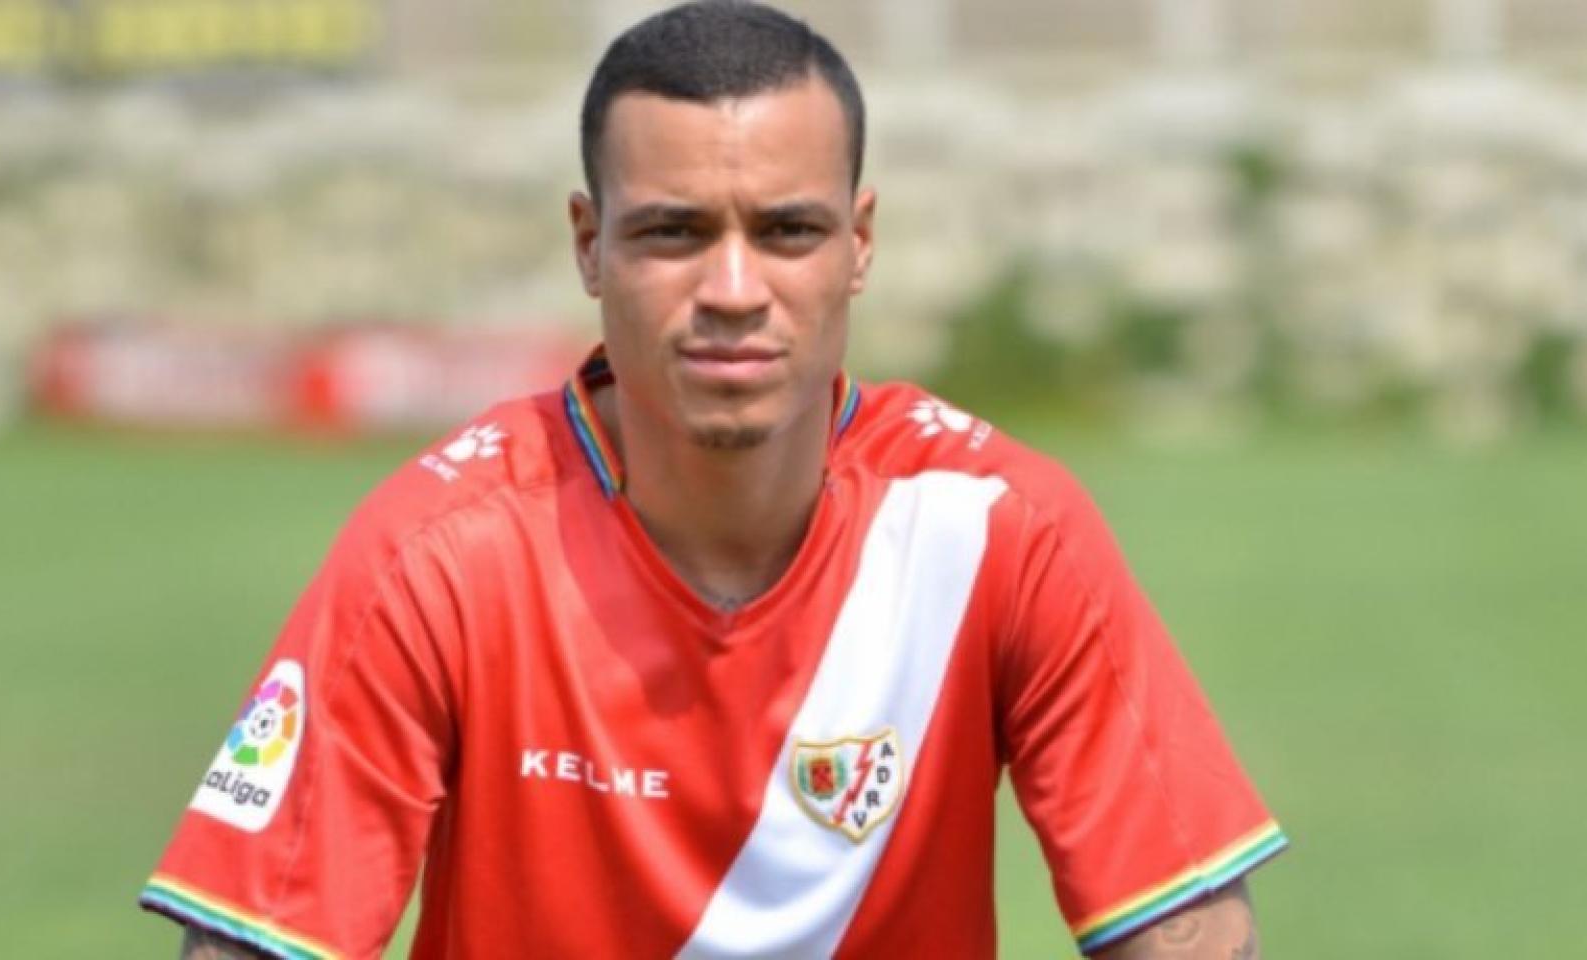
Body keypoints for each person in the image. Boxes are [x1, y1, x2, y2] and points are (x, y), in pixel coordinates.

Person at [140, 2, 1286, 957]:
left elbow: (1183, 922)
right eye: (674, 233)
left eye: (786, 230)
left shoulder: (999, 527)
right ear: (589, 244)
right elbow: (247, 936)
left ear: (860, 243)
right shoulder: (436, 551)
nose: (732, 287)